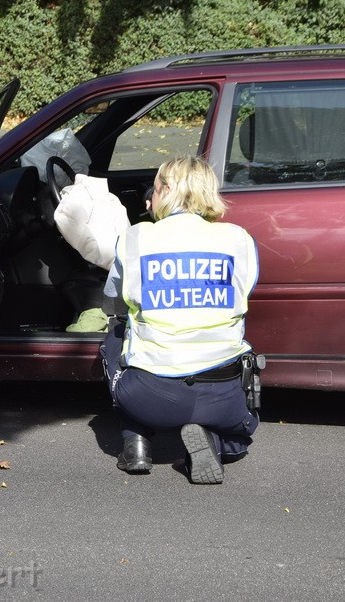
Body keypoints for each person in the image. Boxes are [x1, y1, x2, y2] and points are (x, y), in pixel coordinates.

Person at [102, 156, 259, 484]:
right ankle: (212, 440)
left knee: (115, 334)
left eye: (155, 189)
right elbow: (243, 294)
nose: (152, 197)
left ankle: (136, 441)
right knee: (242, 435)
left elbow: (113, 301)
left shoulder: (136, 238)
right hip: (224, 391)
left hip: (151, 395)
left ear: (168, 190)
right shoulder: (238, 239)